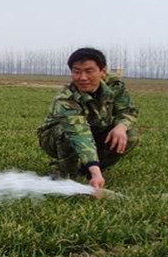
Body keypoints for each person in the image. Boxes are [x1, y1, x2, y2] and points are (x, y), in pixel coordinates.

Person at [37, 47, 139, 189]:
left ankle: (88, 170)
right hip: (58, 138)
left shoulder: (115, 86)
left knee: (130, 134)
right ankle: (67, 170)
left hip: (97, 131)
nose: (83, 78)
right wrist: (95, 170)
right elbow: (79, 134)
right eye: (77, 72)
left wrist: (121, 127)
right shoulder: (65, 99)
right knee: (66, 133)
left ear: (103, 72)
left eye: (89, 71)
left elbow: (127, 110)